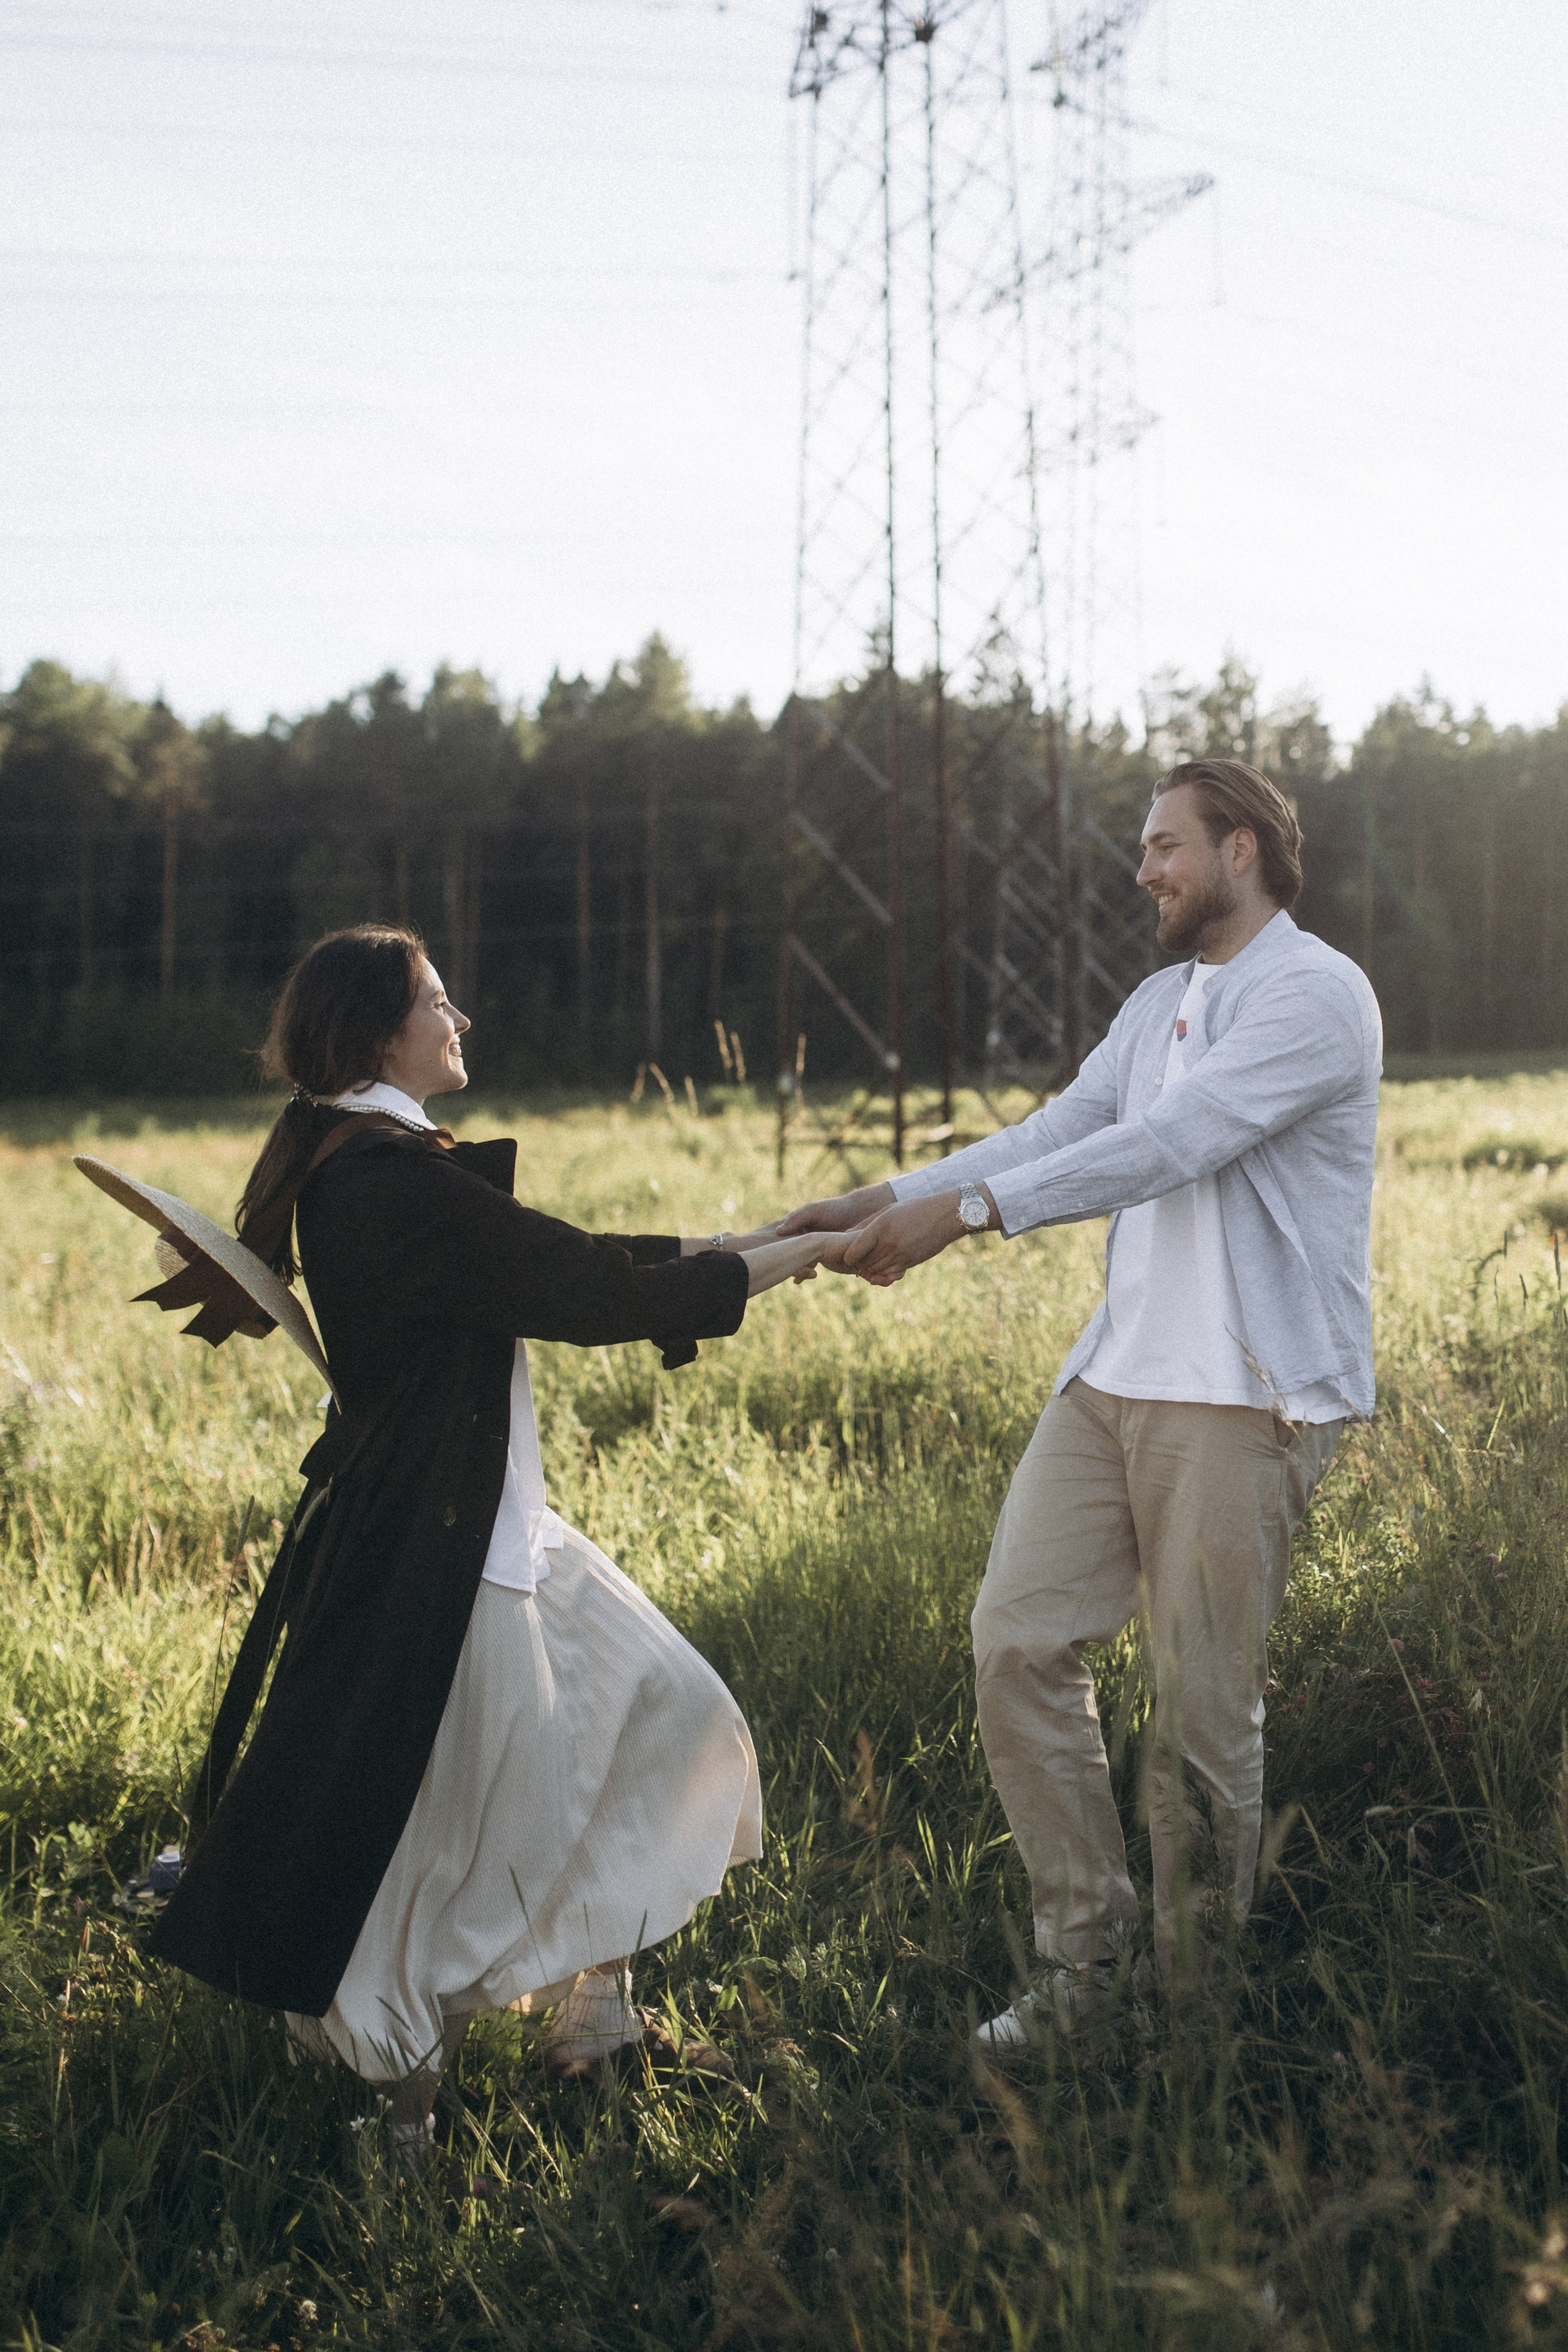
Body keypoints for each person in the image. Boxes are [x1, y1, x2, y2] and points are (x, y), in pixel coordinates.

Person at [142, 924, 844, 2163]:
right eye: (436, 1000)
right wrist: (804, 1256)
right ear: (379, 1036)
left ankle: (595, 2017)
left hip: (491, 1518)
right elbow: (591, 1293)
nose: (459, 1016)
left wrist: (757, 1242)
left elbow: (564, 1264)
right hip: (440, 1550)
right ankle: (399, 2120)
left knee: (671, 1709)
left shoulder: (374, 1158)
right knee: (444, 1845)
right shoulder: (381, 1182)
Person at [777, 759, 1382, 2038]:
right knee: (1015, 1642)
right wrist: (891, 1196)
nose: (1142, 871)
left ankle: (1193, 2006)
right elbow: (1062, 1130)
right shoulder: (1162, 997)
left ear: (1241, 850)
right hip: (1111, 1387)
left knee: (1201, 1715)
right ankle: (1089, 1969)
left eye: (1163, 845)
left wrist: (966, 1218)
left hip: (1242, 1400)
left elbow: (1176, 1141)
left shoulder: (1317, 995)